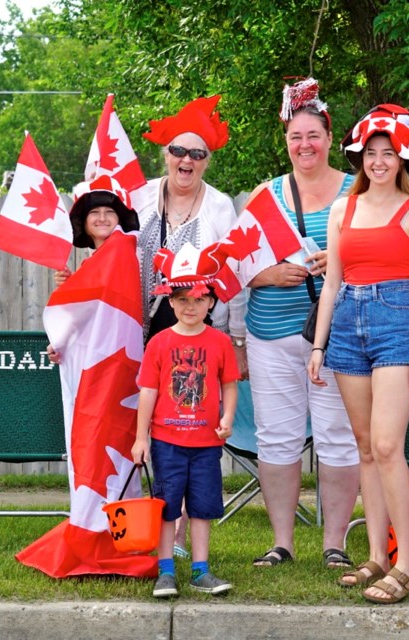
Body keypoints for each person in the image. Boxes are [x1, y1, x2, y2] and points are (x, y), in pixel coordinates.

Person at [308, 104, 409, 604]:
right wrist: (319, 345)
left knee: (388, 446)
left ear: (403, 159)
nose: (379, 161)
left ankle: (407, 562)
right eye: (371, 152)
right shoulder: (343, 209)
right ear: (360, 156)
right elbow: (332, 283)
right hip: (347, 326)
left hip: (397, 324)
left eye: (389, 153)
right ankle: (376, 557)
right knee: (364, 447)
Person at [243, 78, 360, 569]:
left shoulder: (359, 191)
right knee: (276, 435)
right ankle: (282, 542)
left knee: (337, 433)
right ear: (286, 142)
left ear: (330, 139)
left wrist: (341, 257)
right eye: (296, 136)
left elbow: (388, 256)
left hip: (337, 333)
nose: (305, 145)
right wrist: (266, 274)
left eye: (313, 135)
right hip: (270, 331)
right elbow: (236, 265)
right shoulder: (263, 196)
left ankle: (334, 542)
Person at [134, 95, 248, 558]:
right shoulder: (140, 197)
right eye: (179, 151)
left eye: (197, 154)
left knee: (188, 421)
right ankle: (142, 525)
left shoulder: (220, 208)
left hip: (200, 329)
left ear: (207, 160)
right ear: (165, 154)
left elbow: (236, 274)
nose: (187, 160)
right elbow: (110, 249)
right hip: (141, 328)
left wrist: (234, 339)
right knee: (147, 427)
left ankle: (179, 537)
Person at [131, 241, 240, 598]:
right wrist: (141, 437)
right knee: (166, 506)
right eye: (182, 300)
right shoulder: (159, 343)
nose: (190, 306)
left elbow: (229, 384)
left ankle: (200, 570)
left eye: (197, 299)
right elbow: (148, 391)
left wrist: (227, 417)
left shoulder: (220, 342)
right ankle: (165, 571)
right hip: (167, 442)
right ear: (171, 302)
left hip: (207, 442)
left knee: (202, 506)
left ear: (210, 302)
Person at [47, 175, 140, 362]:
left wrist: (61, 339)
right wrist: (72, 284)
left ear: (119, 220)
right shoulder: (89, 264)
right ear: (85, 223)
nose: (102, 218)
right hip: (98, 348)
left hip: (118, 348)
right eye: (95, 212)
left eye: (110, 212)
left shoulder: (123, 246)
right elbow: (88, 309)